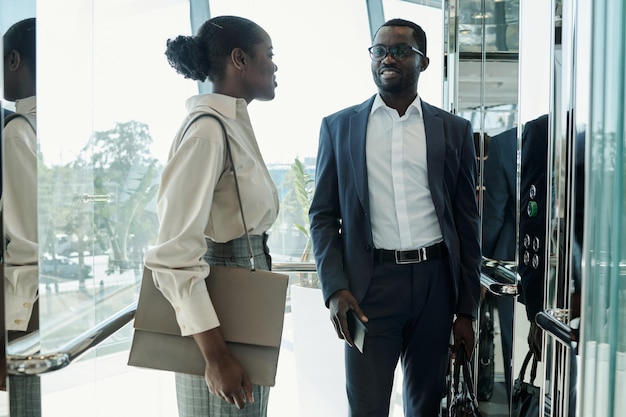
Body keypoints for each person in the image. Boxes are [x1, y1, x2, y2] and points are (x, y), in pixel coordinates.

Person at [309, 18, 482, 416]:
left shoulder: (454, 130)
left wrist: (467, 310)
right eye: (380, 50)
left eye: (401, 50)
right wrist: (334, 289)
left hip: (435, 286)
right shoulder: (338, 127)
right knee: (367, 407)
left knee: (426, 407)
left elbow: (467, 223)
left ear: (423, 62)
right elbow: (322, 216)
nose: (388, 58)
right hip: (370, 291)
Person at [143, 15, 279, 417]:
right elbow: (172, 254)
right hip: (220, 305)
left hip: (242, 287)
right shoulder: (207, 131)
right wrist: (216, 356)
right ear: (239, 59)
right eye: (268, 55)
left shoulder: (231, 125)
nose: (275, 66)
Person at [2, 17, 40, 416]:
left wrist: (9, 330)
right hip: (52, 302)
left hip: (26, 306)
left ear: (14, 60)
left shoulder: (18, 130)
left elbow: (26, 247)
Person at [481, 126, 517, 401]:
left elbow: (494, 212)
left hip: (512, 259)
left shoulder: (506, 143)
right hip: (574, 258)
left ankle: (522, 402)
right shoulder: (586, 131)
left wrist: (481, 265)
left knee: (515, 342)